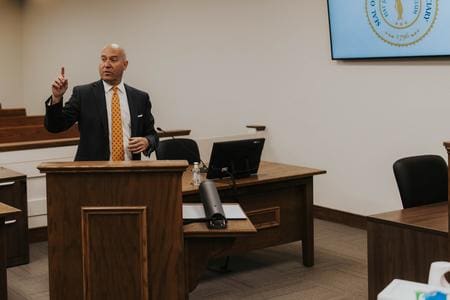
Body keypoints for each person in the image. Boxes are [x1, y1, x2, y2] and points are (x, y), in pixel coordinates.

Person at [44, 43, 158, 161]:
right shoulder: (83, 94)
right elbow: (55, 126)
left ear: (125, 64)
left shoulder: (140, 98)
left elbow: (152, 135)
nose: (106, 65)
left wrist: (147, 141)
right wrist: (56, 98)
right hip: (92, 173)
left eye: (113, 60)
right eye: (103, 59)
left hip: (129, 172)